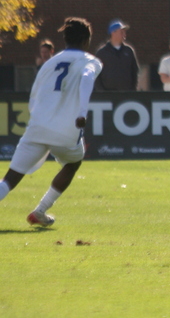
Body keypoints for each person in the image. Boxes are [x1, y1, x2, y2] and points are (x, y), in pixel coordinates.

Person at [0, 17, 103, 226]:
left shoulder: (49, 63)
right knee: (73, 163)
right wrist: (82, 113)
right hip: (66, 130)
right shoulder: (91, 61)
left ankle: (39, 212)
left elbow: (34, 96)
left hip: (37, 127)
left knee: (9, 178)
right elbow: (86, 79)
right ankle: (40, 211)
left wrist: (38, 119)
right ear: (86, 40)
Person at [94, 19, 139, 91]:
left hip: (125, 94)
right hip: (107, 96)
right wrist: (102, 92)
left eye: (124, 32)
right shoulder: (102, 53)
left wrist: (132, 90)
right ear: (113, 33)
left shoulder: (129, 51)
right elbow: (96, 74)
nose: (124, 34)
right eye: (121, 32)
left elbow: (134, 71)